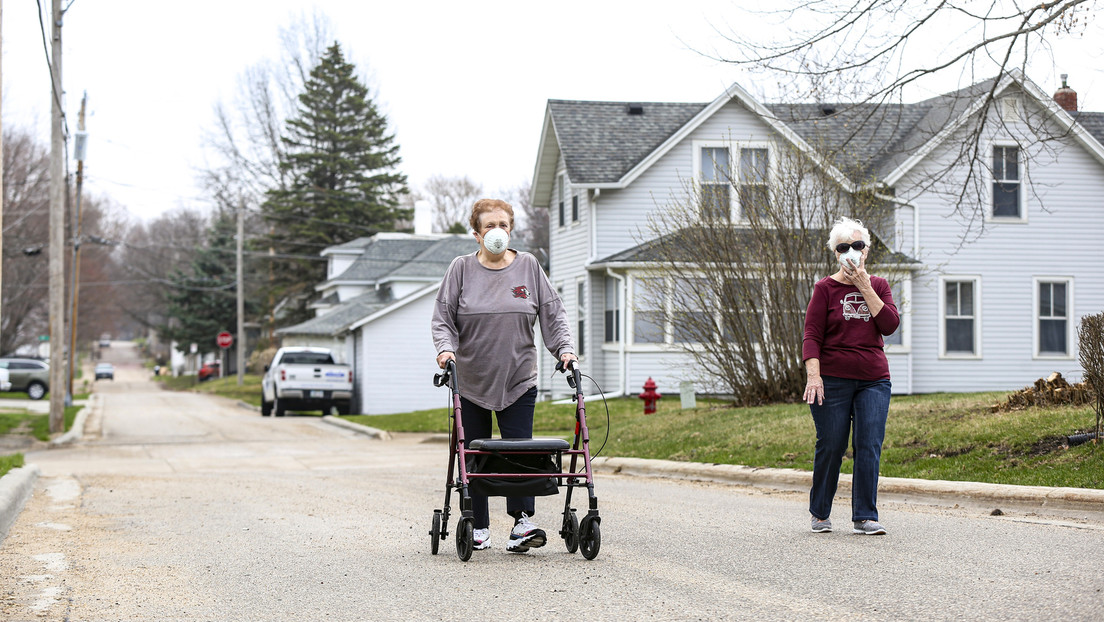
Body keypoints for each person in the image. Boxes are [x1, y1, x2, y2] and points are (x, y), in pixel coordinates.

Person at [431, 198, 577, 553]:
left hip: (518, 378)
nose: (497, 231)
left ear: (510, 229)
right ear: (476, 234)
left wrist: (565, 350)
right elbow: (443, 317)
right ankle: (478, 526)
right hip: (471, 380)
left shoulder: (528, 266)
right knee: (476, 455)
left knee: (518, 453)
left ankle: (522, 523)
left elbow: (552, 314)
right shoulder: (461, 269)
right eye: (489, 226)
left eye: (503, 225)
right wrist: (445, 349)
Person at [802, 217, 900, 535]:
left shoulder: (880, 286)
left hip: (873, 379)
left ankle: (865, 516)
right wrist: (814, 377)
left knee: (868, 443)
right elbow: (812, 336)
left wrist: (864, 286)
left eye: (857, 246)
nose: (851, 252)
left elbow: (889, 325)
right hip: (832, 379)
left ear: (866, 251)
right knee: (831, 444)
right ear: (836, 253)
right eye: (844, 247)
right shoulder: (825, 289)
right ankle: (820, 512)